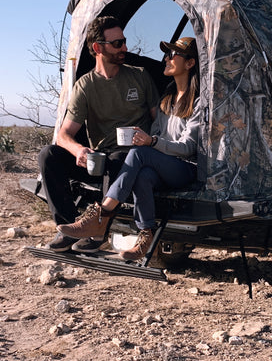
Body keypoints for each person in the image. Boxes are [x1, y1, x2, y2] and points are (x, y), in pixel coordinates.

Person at [58, 36, 200, 261]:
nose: (166, 58)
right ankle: (146, 236)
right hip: (162, 165)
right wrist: (147, 138)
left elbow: (188, 148)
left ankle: (101, 215)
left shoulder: (198, 102)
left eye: (173, 55)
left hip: (185, 168)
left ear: (190, 63)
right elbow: (157, 135)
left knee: (139, 154)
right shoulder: (167, 100)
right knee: (142, 175)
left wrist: (151, 143)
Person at [38, 16, 159, 253]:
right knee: (48, 155)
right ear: (97, 48)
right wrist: (79, 150)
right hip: (101, 160)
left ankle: (97, 231)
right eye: (117, 43)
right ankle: (68, 227)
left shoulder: (140, 76)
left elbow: (160, 123)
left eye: (124, 41)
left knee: (117, 159)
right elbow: (64, 134)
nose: (124, 47)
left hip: (133, 158)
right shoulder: (85, 85)